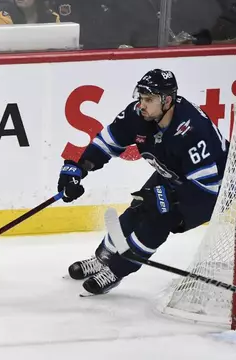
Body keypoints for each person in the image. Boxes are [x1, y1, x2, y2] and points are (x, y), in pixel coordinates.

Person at [59, 69, 229, 295]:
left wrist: (169, 198)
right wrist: (79, 169)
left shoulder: (193, 130)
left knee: (158, 219)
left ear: (167, 100)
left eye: (148, 100)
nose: (142, 104)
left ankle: (116, 271)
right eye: (141, 98)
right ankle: (102, 260)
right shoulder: (138, 116)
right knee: (138, 209)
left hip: (210, 190)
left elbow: (207, 187)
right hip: (172, 173)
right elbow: (106, 144)